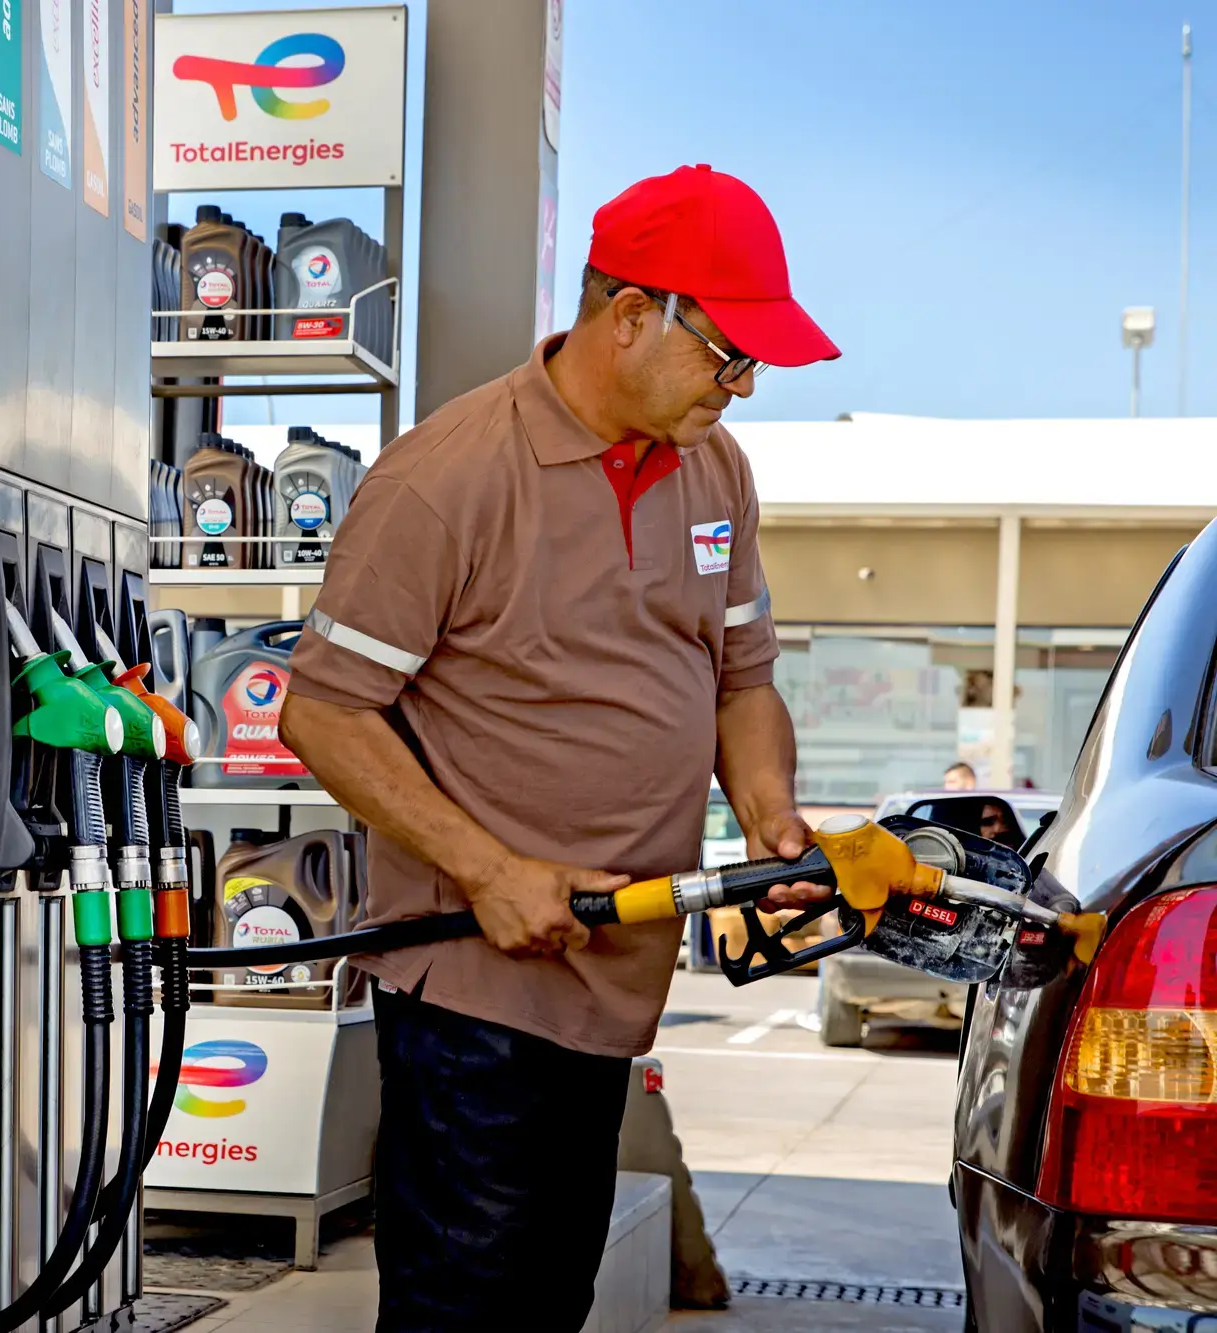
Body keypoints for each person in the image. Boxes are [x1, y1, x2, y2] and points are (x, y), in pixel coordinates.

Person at [278, 165, 839, 1332]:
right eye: (726, 356)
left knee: (542, 1308)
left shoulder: (712, 470)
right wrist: (486, 868)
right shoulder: (447, 478)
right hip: (475, 993)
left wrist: (770, 815)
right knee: (465, 1312)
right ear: (631, 314)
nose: (740, 389)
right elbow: (323, 714)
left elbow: (740, 680)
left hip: (611, 983)